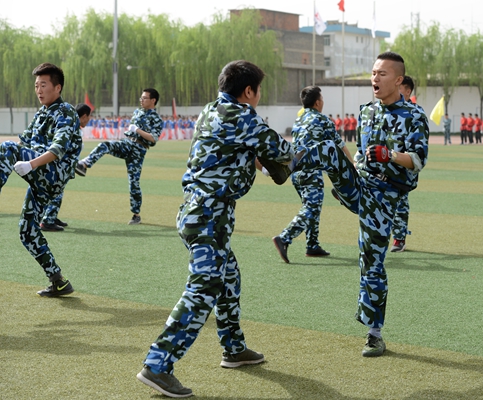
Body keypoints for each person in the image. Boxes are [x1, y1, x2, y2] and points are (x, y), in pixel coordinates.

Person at [137, 60, 294, 398]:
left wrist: (255, 159)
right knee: (205, 287)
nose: (258, 97)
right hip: (210, 215)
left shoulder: (210, 110)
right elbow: (283, 152)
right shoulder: (243, 115)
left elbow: (233, 152)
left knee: (229, 276)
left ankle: (233, 348)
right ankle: (158, 364)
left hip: (195, 211)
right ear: (248, 91)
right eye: (258, 91)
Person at [294, 52, 429, 357]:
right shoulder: (367, 112)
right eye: (373, 73)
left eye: (382, 74)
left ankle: (374, 334)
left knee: (371, 262)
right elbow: (357, 153)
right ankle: (283, 165)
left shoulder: (414, 115)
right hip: (360, 185)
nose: (375, 78)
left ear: (398, 80)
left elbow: (418, 160)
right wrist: (353, 168)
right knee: (330, 148)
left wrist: (389, 155)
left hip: (384, 195)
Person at [0, 62, 81, 296]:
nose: (38, 90)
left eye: (43, 85)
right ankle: (59, 282)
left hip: (52, 173)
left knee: (7, 148)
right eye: (36, 85)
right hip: (41, 176)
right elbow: (23, 142)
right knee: (27, 231)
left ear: (58, 87)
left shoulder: (66, 111)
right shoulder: (42, 113)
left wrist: (30, 164)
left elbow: (57, 149)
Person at [273, 86, 352, 263]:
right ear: (317, 102)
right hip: (311, 170)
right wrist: (352, 164)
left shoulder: (299, 120)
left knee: (310, 205)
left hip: (295, 171)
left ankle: (312, 244)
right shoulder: (323, 120)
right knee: (312, 207)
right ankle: (284, 238)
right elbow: (338, 145)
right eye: (322, 99)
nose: (323, 102)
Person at [75, 88, 163, 225]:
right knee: (106, 145)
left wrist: (137, 130)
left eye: (145, 98)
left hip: (139, 149)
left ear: (153, 100)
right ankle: (84, 164)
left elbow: (153, 138)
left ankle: (136, 214)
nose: (141, 100)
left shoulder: (157, 119)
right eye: (141, 97)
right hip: (127, 143)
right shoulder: (137, 112)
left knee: (134, 183)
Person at [39, 103, 91, 232]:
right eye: (89, 116)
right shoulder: (72, 127)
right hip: (60, 165)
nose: (89, 119)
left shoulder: (71, 125)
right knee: (56, 192)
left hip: (62, 165)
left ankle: (51, 216)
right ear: (84, 116)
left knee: (56, 191)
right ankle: (47, 221)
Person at [390, 75, 421, 253]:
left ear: (407, 91)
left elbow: (417, 148)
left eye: (399, 87)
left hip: (403, 167)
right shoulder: (389, 110)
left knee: (400, 201)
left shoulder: (415, 113)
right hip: (384, 165)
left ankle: (399, 238)